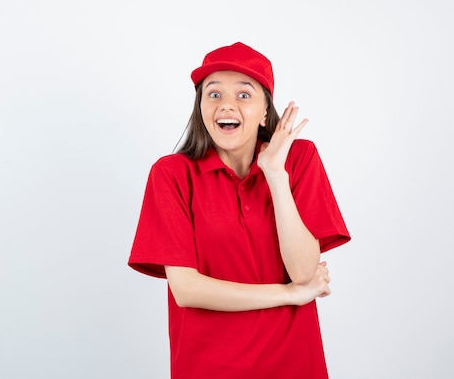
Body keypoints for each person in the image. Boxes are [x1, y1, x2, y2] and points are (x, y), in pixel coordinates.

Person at [128, 42, 351, 379]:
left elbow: (304, 272)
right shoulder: (172, 174)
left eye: (244, 94)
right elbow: (187, 290)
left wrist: (276, 175)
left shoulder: (299, 160)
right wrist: (289, 294)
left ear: (265, 111)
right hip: (208, 368)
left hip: (295, 365)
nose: (226, 104)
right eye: (213, 94)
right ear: (200, 107)